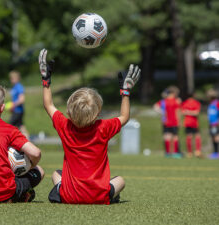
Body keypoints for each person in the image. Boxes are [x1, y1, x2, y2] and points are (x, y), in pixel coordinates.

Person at [38, 49, 140, 204]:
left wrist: (46, 79)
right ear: (98, 111)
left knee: (56, 174)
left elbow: (48, 105)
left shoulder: (64, 125)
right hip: (99, 196)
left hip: (70, 196)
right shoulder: (103, 127)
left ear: (69, 111)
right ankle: (110, 196)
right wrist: (125, 91)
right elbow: (125, 117)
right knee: (120, 180)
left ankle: (61, 193)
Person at [154, 86, 182, 158]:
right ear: (173, 93)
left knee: (167, 136)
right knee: (175, 137)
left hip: (166, 122)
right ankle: (175, 153)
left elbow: (155, 106)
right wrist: (179, 121)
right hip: (174, 122)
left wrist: (162, 112)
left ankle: (167, 153)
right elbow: (177, 112)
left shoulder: (164, 101)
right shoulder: (176, 101)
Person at [9, 70, 29, 139]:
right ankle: (27, 140)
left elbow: (22, 99)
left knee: (10, 126)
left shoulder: (19, 87)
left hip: (18, 111)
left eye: (12, 78)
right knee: (20, 125)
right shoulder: (14, 87)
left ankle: (11, 141)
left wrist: (13, 105)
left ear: (17, 78)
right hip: (16, 110)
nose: (11, 80)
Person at [182, 93, 202, 158]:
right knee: (196, 136)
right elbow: (196, 112)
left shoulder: (184, 103)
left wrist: (188, 112)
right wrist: (192, 112)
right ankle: (197, 151)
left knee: (189, 137)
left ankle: (190, 152)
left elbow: (183, 112)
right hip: (194, 123)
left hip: (188, 122)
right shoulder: (196, 103)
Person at [207, 89, 219, 159]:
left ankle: (216, 152)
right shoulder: (211, 103)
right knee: (213, 137)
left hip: (215, 123)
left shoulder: (217, 103)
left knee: (216, 137)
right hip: (212, 123)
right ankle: (214, 152)